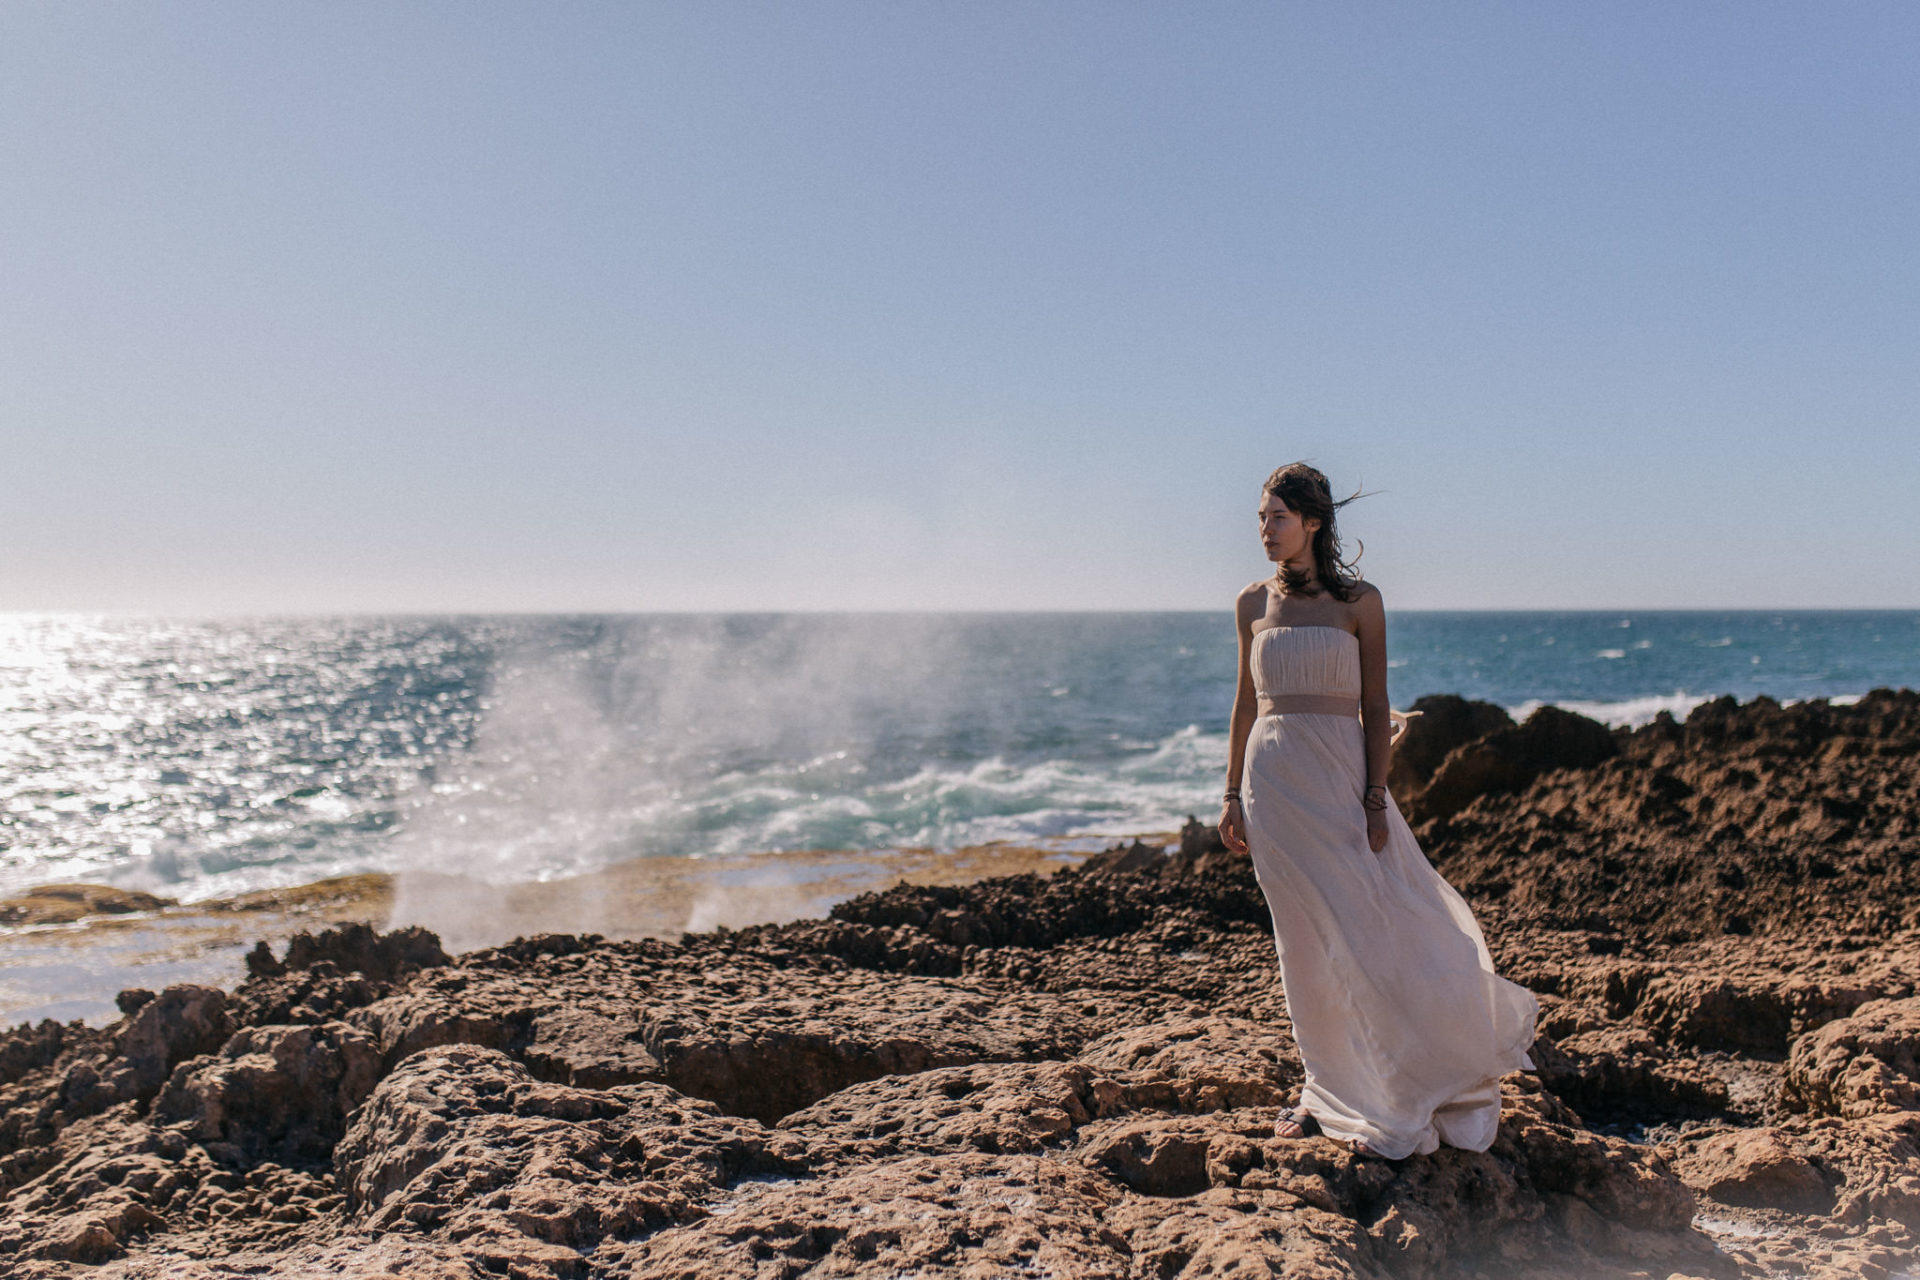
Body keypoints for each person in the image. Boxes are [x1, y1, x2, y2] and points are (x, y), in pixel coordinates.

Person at [1217, 462, 1537, 1160]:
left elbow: (1372, 706)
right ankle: (1322, 1089)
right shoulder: (1250, 604)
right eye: (1260, 519)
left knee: (1375, 927)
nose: (1265, 530)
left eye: (1277, 517)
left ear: (1313, 522)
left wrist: (1373, 799)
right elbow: (1246, 703)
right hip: (1272, 787)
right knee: (1301, 943)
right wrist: (1230, 793)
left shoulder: (1360, 602)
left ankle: (1406, 1070)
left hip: (1339, 784)